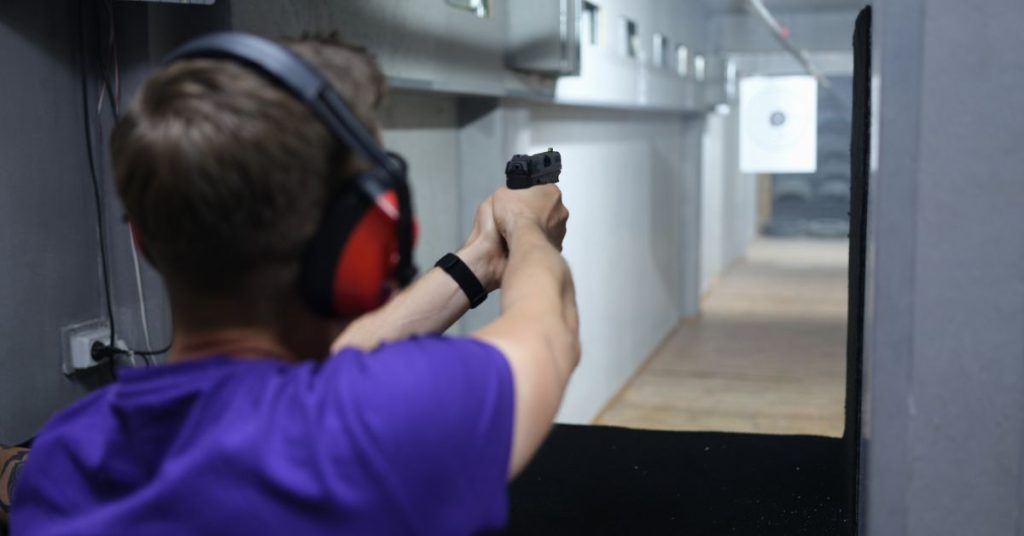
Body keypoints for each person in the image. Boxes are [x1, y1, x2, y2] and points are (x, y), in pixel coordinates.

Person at [10, 35, 578, 535]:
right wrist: (528, 227)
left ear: (143, 239)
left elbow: (290, 381)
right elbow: (550, 333)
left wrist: (478, 261)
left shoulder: (66, 457)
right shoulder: (393, 421)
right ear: (371, 240)